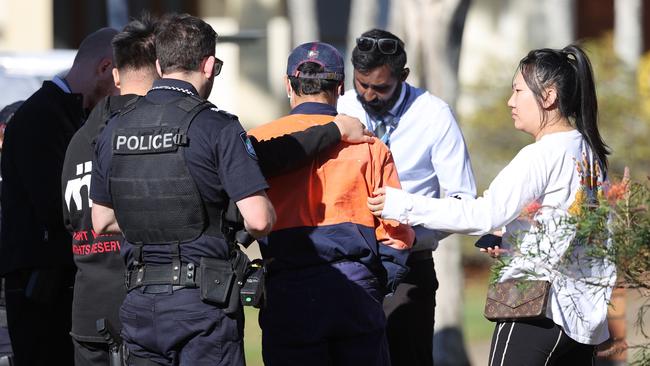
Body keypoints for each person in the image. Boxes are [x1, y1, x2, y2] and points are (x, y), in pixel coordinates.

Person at [63, 15, 371, 365]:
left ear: (161, 64)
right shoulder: (217, 126)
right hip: (202, 307)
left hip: (139, 304)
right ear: (209, 65)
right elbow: (257, 219)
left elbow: (101, 219)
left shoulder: (113, 129)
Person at [368, 44, 616, 365]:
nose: (510, 102)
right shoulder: (587, 151)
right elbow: (571, 231)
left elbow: (483, 214)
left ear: (549, 95)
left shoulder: (542, 153)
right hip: (581, 321)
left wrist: (400, 204)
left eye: (518, 91)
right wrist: (511, 239)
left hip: (534, 313)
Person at [249, 41, 415, 366]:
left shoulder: (259, 142)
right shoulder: (370, 146)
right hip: (356, 288)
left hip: (287, 287)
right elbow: (397, 229)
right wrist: (378, 284)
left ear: (288, 85)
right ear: (340, 88)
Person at [336, 28, 476, 366]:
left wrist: (414, 234)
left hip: (408, 267)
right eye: (362, 84)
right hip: (347, 263)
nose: (368, 95)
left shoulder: (433, 115)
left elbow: (463, 200)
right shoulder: (342, 106)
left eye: (381, 87)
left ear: (404, 76)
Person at [0, 27, 118, 366]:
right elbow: (58, 207)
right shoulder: (41, 118)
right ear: (105, 67)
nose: (119, 91)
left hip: (62, 285)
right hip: (40, 291)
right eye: (119, 79)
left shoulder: (66, 113)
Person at [61, 17, 159, 366]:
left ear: (116, 75)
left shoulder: (79, 139)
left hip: (88, 308)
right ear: (160, 69)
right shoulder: (155, 134)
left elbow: (71, 220)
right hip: (139, 303)